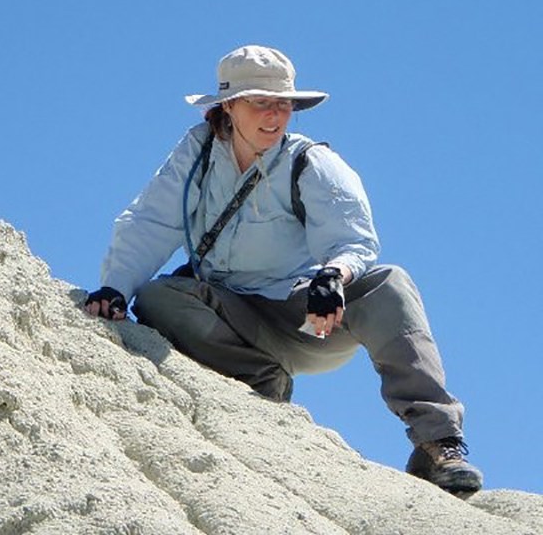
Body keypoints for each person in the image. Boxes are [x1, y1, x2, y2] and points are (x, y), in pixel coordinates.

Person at [83, 45, 483, 495]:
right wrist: (114, 288)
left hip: (304, 318)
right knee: (155, 296)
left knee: (389, 283)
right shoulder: (195, 154)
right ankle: (261, 379)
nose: (274, 115)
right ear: (228, 107)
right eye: (260, 102)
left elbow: (353, 239)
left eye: (284, 104)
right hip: (225, 316)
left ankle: (438, 442)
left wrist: (335, 276)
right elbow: (151, 222)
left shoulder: (310, 161)